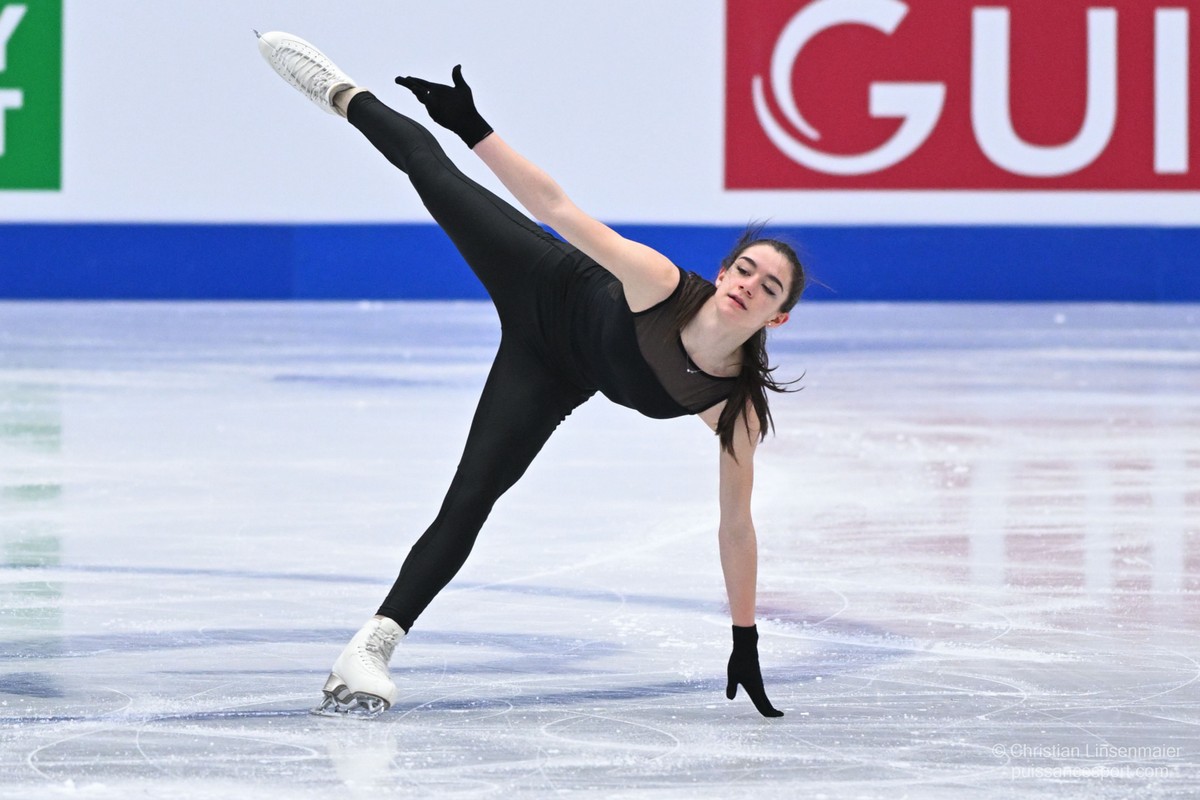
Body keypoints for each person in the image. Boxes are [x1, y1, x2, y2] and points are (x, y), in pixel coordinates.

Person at [255, 31, 804, 719]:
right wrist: (474, 129)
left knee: (471, 498)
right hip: (544, 279)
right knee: (430, 168)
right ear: (724, 273)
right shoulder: (661, 284)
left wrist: (745, 638)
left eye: (769, 287)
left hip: (549, 372)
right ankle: (341, 92)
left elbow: (736, 528)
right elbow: (556, 208)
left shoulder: (731, 407)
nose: (750, 285)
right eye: (745, 269)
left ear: (779, 317)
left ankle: (369, 648)